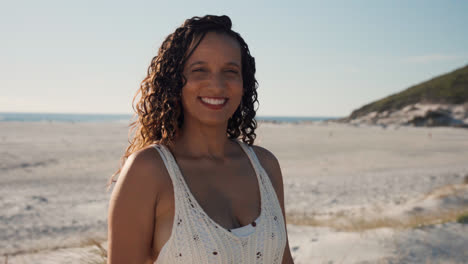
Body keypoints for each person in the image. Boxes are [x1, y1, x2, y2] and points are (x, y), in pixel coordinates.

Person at [107, 15, 294, 264]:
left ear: (243, 83)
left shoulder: (265, 165)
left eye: (230, 71)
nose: (217, 85)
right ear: (174, 81)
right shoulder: (149, 170)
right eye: (199, 70)